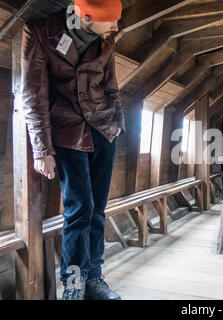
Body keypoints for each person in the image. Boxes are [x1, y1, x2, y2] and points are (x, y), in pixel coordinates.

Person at [21, 0, 126, 300]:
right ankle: (75, 285)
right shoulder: (40, 33)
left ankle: (94, 279)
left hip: (104, 132)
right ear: (86, 16)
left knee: (97, 211)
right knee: (80, 210)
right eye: (110, 21)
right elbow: (33, 95)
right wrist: (42, 150)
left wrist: (117, 120)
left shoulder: (106, 40)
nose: (116, 27)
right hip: (67, 134)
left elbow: (111, 86)